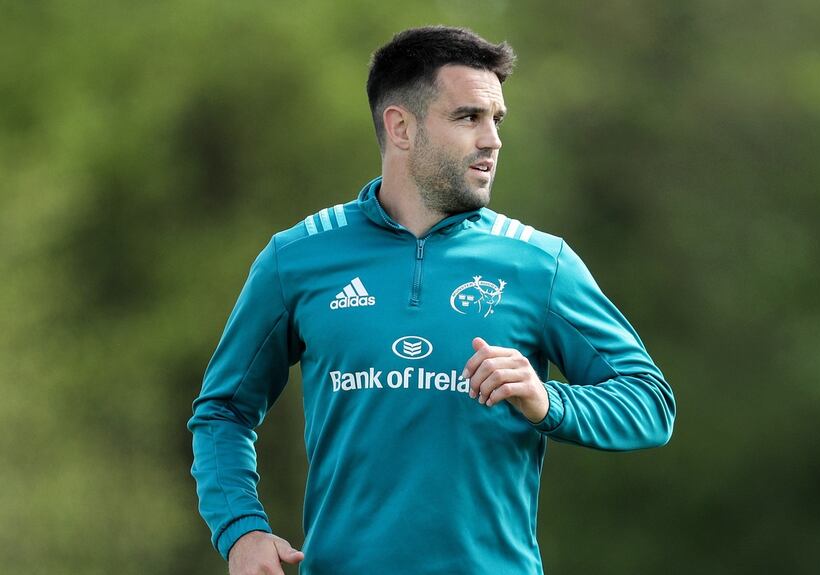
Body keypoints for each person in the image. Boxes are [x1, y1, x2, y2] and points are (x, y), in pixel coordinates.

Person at [189, 25, 675, 575]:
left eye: (497, 119)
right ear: (401, 126)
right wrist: (241, 531)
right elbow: (224, 411)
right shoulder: (298, 257)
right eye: (468, 117)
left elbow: (649, 405)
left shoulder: (540, 264)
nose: (492, 139)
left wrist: (549, 401)